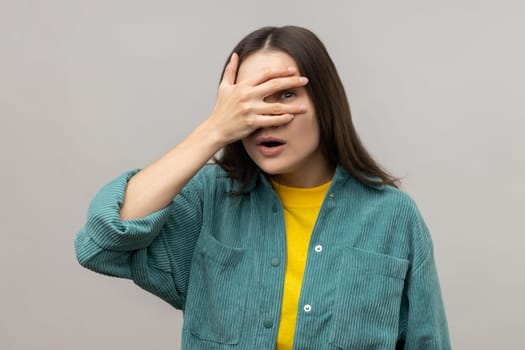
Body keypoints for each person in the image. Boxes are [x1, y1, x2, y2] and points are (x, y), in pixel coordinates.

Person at [75, 25, 451, 349]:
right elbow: (101, 242)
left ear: (324, 103)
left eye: (285, 95)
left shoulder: (393, 216)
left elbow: (426, 341)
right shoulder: (210, 199)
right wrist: (214, 131)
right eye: (247, 101)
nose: (263, 117)